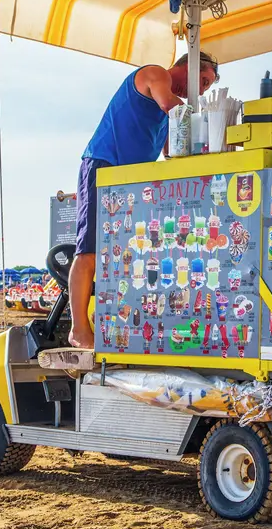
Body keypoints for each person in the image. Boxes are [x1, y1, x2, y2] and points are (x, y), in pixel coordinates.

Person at [67, 52, 219, 349]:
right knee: (89, 251)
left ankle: (113, 322)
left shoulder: (171, 115)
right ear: (187, 67)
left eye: (207, 87)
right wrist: (212, 125)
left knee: (125, 258)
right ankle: (78, 329)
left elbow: (172, 151)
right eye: (203, 81)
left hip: (131, 184)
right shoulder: (156, 73)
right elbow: (170, 106)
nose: (201, 91)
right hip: (104, 164)